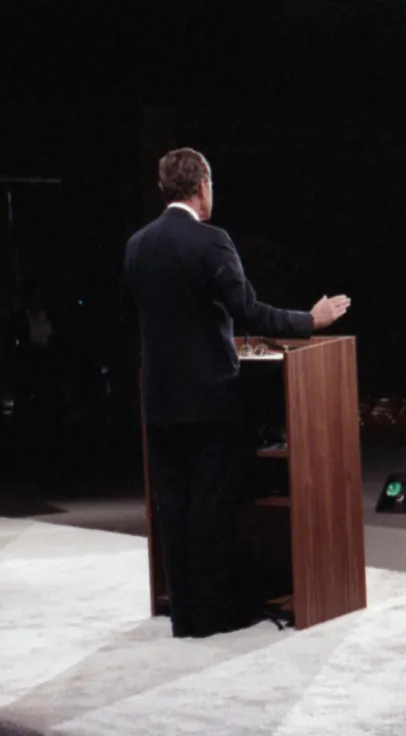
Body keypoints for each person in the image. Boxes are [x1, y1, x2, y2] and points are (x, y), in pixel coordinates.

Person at [123, 147, 351, 638]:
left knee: (174, 508)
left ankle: (184, 615)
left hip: (158, 402)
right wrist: (311, 320)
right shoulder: (212, 241)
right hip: (208, 399)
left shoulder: (137, 245)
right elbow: (249, 312)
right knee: (211, 507)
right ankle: (212, 617)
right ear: (202, 186)